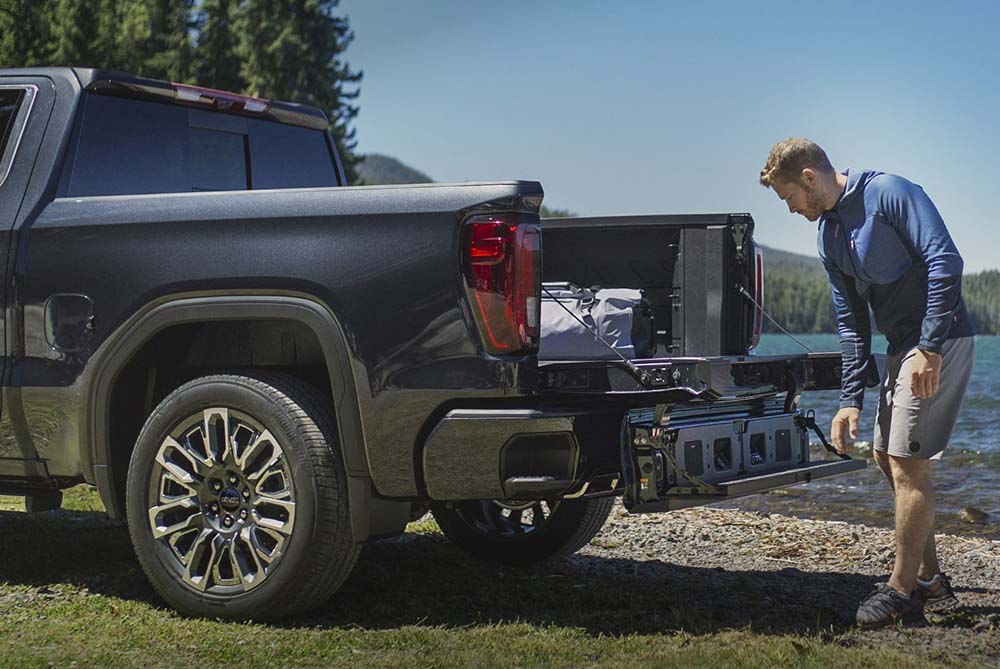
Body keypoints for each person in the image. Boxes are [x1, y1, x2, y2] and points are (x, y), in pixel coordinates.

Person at [759, 138, 975, 629]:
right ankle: (932, 579)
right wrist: (848, 400)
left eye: (790, 197)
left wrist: (931, 347)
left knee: (906, 461)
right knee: (886, 456)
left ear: (809, 178)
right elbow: (852, 323)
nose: (792, 210)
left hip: (940, 341)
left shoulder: (891, 193)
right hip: (902, 349)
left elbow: (946, 261)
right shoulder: (828, 237)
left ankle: (901, 591)